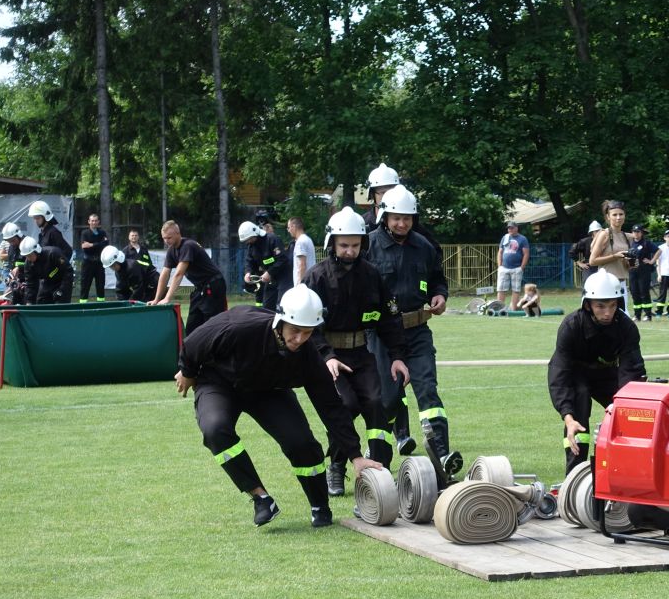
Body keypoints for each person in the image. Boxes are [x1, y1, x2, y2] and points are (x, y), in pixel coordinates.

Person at [176, 285, 383, 528]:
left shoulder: (308, 356)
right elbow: (193, 343)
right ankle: (260, 498)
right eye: (295, 330)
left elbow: (331, 406)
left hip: (268, 390)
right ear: (280, 320)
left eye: (308, 332)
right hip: (219, 383)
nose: (300, 339)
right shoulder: (241, 326)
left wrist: (355, 455)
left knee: (301, 443)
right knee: (215, 428)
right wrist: (187, 372)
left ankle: (319, 505)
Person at [302, 206, 410, 494]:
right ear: (332, 244)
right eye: (344, 245)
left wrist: (398, 357)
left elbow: (390, 319)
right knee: (346, 406)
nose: (350, 251)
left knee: (377, 403)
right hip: (328, 358)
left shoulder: (372, 275)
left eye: (355, 245)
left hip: (362, 354)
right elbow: (305, 325)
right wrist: (327, 356)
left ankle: (379, 470)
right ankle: (337, 465)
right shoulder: (316, 278)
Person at [365, 185, 459, 472]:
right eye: (396, 218)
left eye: (407, 218)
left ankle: (442, 457)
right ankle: (378, 462)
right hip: (382, 335)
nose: (402, 224)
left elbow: (437, 279)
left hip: (417, 332)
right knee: (388, 397)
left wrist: (439, 295)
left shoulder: (424, 246)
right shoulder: (369, 246)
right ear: (384, 217)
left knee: (428, 391)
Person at [548, 270, 646, 473]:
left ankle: (627, 472)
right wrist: (568, 416)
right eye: (601, 306)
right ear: (588, 305)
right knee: (579, 408)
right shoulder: (571, 326)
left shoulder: (627, 328)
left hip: (607, 375)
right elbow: (560, 373)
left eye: (612, 305)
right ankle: (574, 476)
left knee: (629, 413)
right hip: (576, 376)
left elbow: (631, 371)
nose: (607, 313)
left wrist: (624, 406)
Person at [150, 220, 228, 335]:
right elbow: (164, 274)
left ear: (178, 233)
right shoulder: (171, 250)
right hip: (200, 288)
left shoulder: (188, 246)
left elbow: (179, 274)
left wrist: (167, 298)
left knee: (213, 326)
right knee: (192, 328)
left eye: (169, 238)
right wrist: (157, 299)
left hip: (214, 285)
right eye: (164, 238)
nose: (166, 241)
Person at [239, 219, 287, 311]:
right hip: (269, 281)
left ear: (255, 233)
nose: (248, 242)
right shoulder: (252, 246)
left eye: (249, 239)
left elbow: (282, 259)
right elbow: (249, 261)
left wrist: (269, 272)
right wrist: (248, 272)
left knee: (283, 307)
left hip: (283, 279)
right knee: (267, 308)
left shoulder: (272, 240)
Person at [588, 199, 632, 298]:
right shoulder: (604, 234)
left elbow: (624, 264)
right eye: (614, 215)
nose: (618, 217)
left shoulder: (627, 236)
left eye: (621, 214)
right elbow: (592, 261)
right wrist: (615, 256)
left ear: (625, 215)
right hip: (606, 284)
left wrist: (631, 264)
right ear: (608, 217)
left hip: (622, 283)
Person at [19, 236, 74, 304]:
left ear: (36, 251)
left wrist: (61, 290)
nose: (28, 258)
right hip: (46, 283)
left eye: (30, 255)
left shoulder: (53, 253)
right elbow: (30, 284)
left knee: (60, 305)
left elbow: (68, 272)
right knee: (40, 302)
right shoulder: (28, 263)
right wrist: (29, 301)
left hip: (62, 282)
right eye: (26, 256)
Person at [626, 224, 658, 321]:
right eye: (634, 232)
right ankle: (637, 315)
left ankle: (648, 315)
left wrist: (651, 261)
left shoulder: (646, 243)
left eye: (638, 232)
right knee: (634, 292)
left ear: (641, 233)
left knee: (644, 292)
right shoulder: (629, 243)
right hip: (632, 270)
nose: (636, 233)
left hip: (644, 270)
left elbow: (659, 251)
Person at [496, 221, 530, 310]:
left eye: (511, 228)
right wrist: (499, 266)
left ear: (516, 228)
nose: (509, 229)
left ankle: (513, 309)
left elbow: (526, 254)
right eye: (508, 228)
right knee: (501, 289)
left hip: (516, 268)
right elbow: (500, 252)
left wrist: (521, 267)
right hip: (504, 268)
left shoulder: (522, 239)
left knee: (516, 289)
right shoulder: (505, 237)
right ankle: (499, 309)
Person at [78, 213, 109, 302]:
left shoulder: (102, 232)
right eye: (92, 221)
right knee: (85, 285)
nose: (94, 222)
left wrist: (91, 244)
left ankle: (101, 304)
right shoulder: (85, 233)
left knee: (100, 285)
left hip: (100, 263)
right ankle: (82, 305)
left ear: (98, 222)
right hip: (88, 263)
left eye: (95, 221)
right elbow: (84, 246)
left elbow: (106, 244)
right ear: (89, 221)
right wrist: (99, 244)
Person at [0, 221, 27, 303]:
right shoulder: (11, 248)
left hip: (30, 284)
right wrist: (10, 283)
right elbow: (12, 267)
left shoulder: (27, 245)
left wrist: (20, 268)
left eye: (13, 240)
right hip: (17, 285)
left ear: (18, 235)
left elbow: (35, 265)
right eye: (9, 241)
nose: (11, 243)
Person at [569, 221, 600, 287]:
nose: (598, 233)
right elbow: (572, 252)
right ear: (592, 232)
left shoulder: (605, 241)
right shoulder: (585, 241)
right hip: (589, 267)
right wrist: (579, 263)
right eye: (596, 231)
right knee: (588, 286)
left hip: (602, 267)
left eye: (599, 231)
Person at [287, 216, 315, 286]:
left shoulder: (300, 242)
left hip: (304, 284)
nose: (288, 230)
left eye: (289, 227)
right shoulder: (308, 239)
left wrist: (300, 285)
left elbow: (302, 265)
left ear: (293, 226)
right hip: (310, 280)